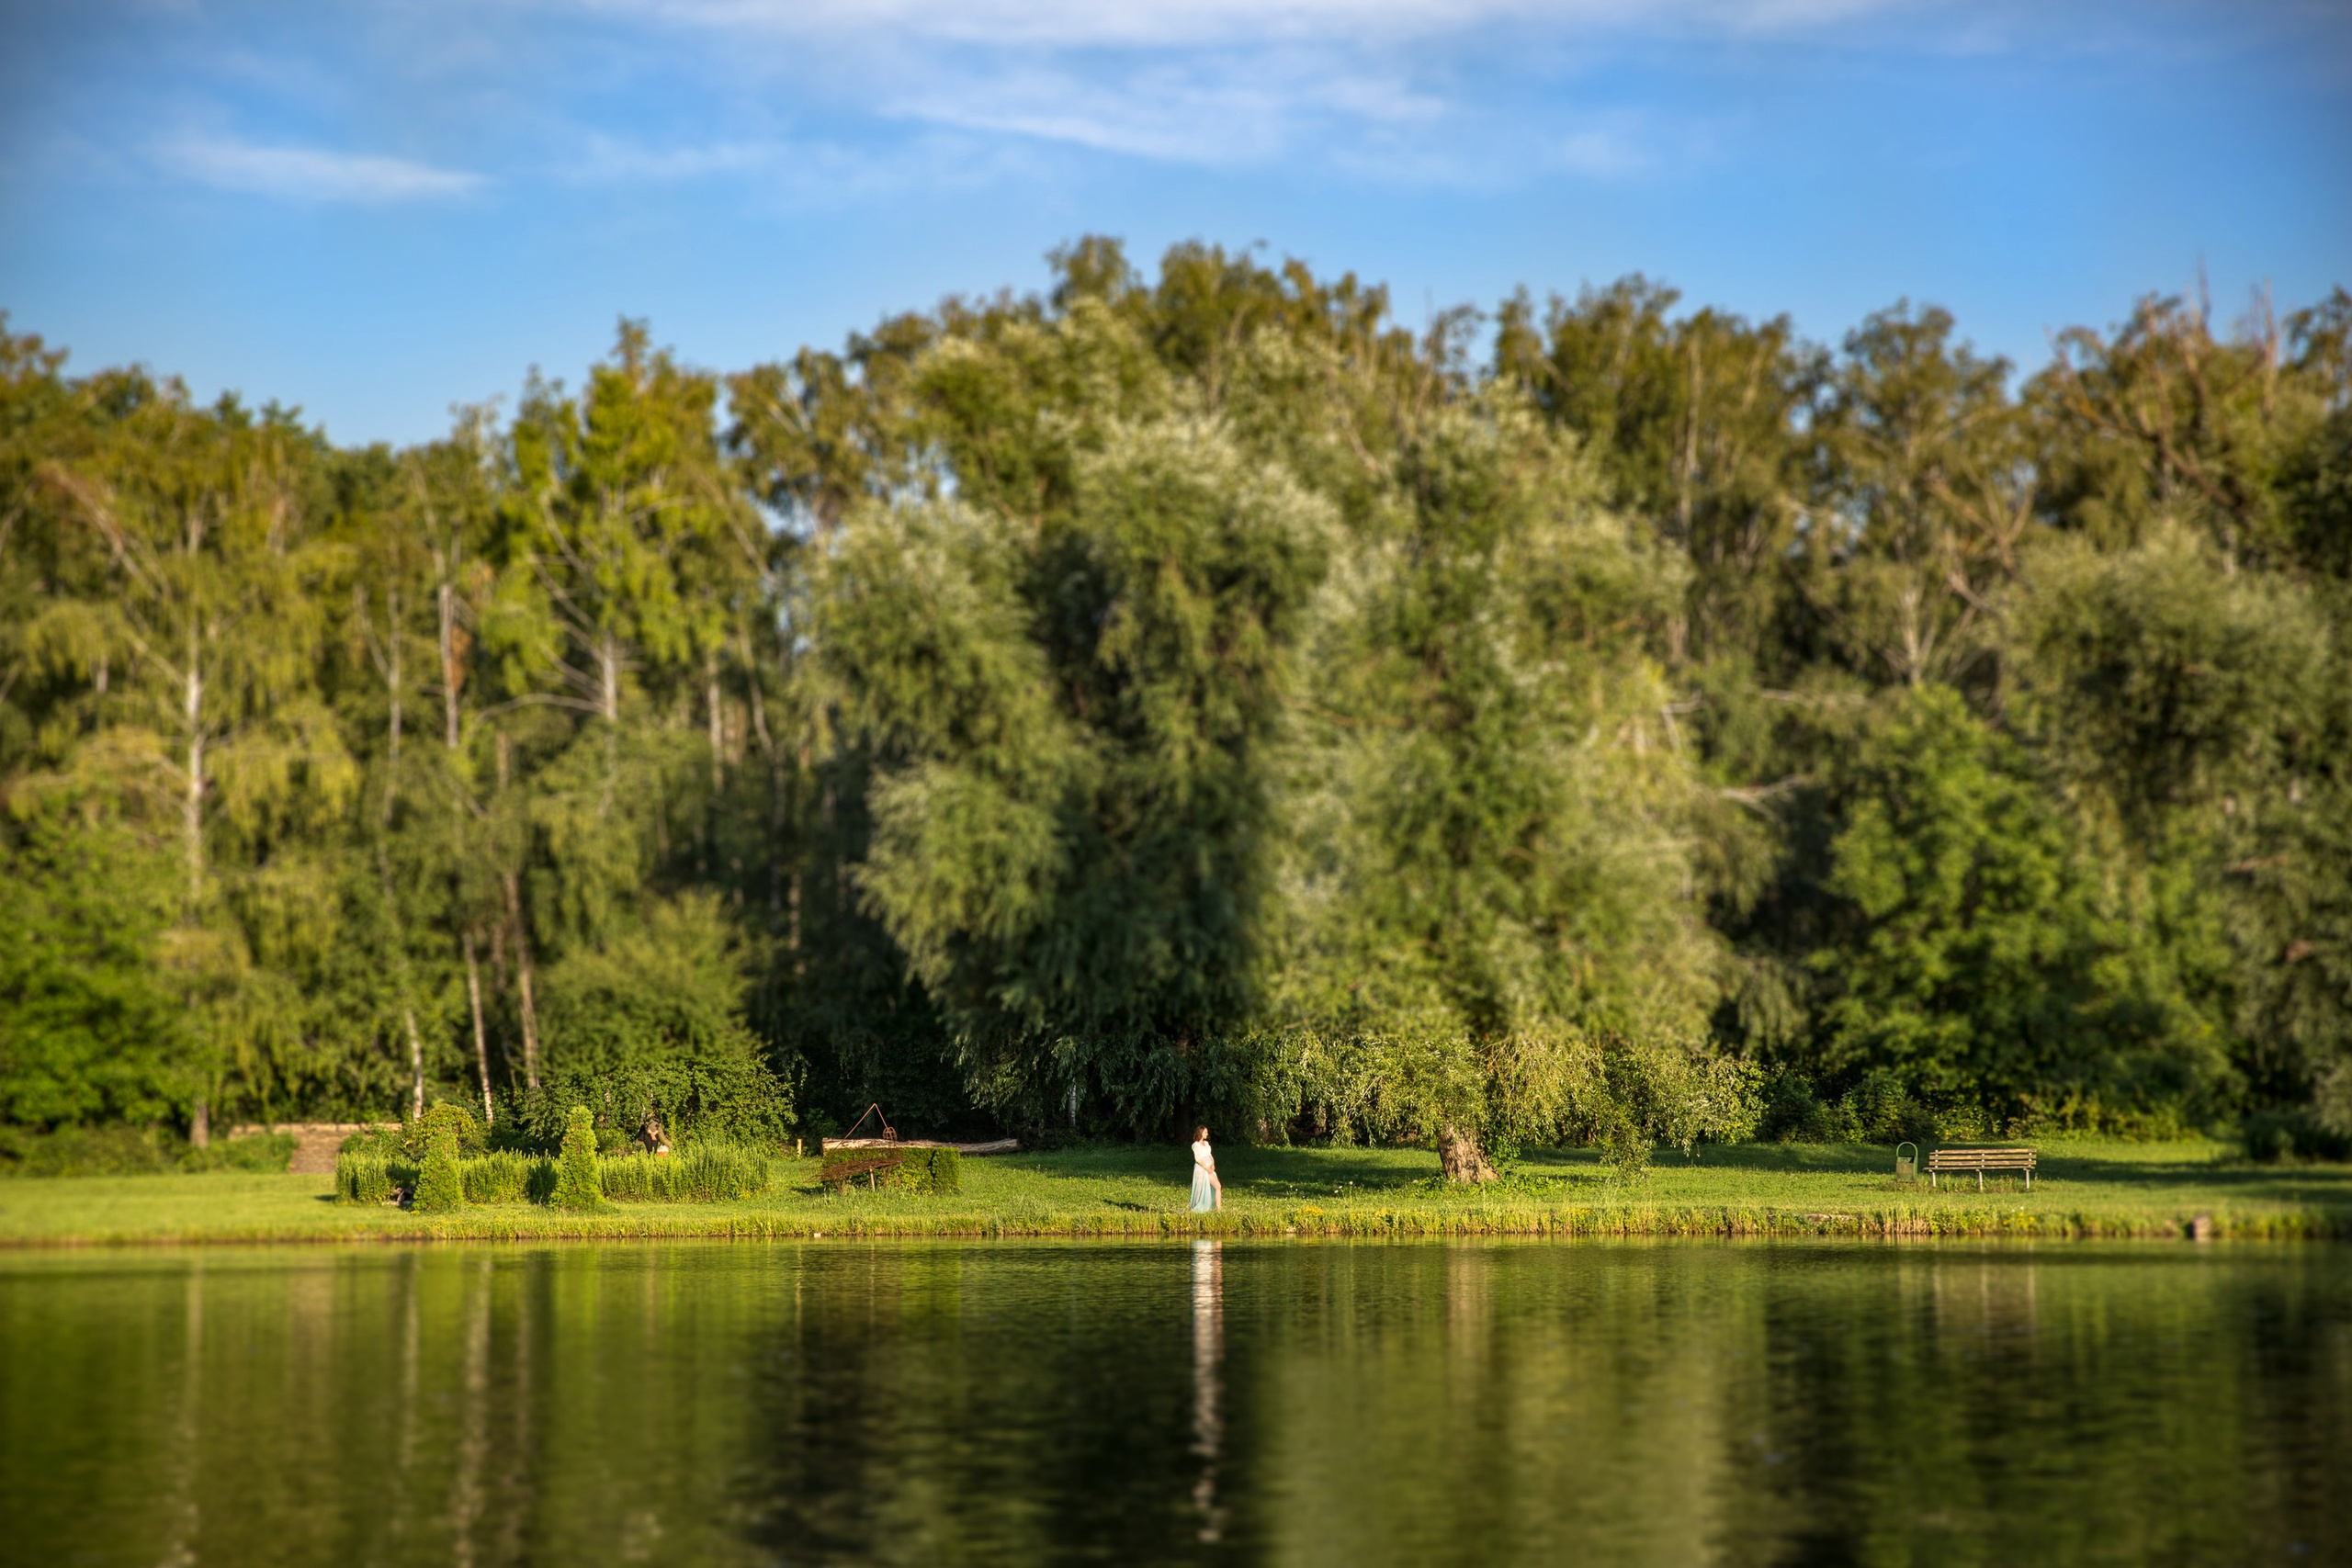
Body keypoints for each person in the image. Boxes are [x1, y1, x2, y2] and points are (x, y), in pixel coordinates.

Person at [1190, 1125, 1223, 1213]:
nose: (1207, 1134)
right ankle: (1195, 1206)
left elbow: (1209, 1155)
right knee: (1200, 1190)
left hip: (1209, 1169)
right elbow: (1198, 1159)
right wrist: (1206, 1168)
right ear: (1200, 1133)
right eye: (1205, 1132)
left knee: (1218, 1186)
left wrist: (1213, 1164)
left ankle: (1218, 1209)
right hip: (1201, 1170)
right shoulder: (1195, 1145)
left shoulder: (1207, 1144)